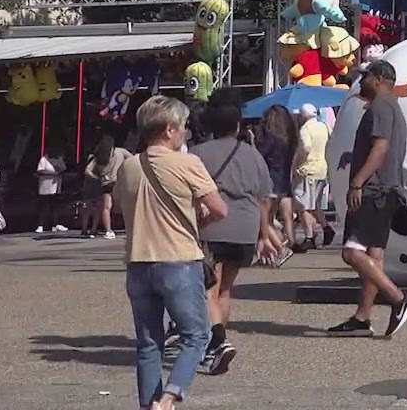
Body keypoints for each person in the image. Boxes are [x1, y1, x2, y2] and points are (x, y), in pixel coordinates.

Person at [116, 95, 228, 410]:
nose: (185, 133)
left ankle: (148, 404)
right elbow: (219, 210)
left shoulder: (128, 167)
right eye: (183, 127)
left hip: (138, 261)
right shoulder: (187, 163)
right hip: (178, 258)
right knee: (196, 336)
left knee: (149, 345)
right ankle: (168, 398)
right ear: (169, 129)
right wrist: (197, 217)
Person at [327, 60, 407, 337]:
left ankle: (398, 298)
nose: (361, 81)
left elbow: (381, 147)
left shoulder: (381, 105)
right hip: (388, 190)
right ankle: (362, 318)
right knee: (374, 256)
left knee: (351, 252)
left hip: (373, 191)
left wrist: (357, 182)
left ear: (379, 78)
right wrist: (353, 157)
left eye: (366, 76)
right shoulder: (393, 107)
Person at [192, 95, 279, 375]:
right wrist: (264, 233)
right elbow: (264, 196)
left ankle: (217, 344)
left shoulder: (198, 153)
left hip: (213, 225)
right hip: (245, 227)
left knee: (208, 290)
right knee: (225, 289)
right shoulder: (252, 154)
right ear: (239, 123)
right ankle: (217, 343)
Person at [255, 105, 298, 257]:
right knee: (270, 219)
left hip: (269, 181)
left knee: (264, 220)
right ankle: (277, 248)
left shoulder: (270, 138)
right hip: (283, 181)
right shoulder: (290, 139)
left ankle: (280, 248)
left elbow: (259, 156)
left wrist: (254, 141)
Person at [291, 104, 333, 250]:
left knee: (303, 205)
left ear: (303, 115)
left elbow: (306, 147)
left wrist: (297, 163)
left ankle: (309, 237)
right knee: (315, 204)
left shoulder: (306, 129)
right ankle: (327, 228)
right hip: (322, 168)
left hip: (307, 170)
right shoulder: (325, 126)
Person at [82, 134, 129, 239]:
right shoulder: (120, 152)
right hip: (119, 181)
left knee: (106, 207)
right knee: (126, 206)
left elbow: (87, 171)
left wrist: (97, 177)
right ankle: (129, 228)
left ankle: (108, 230)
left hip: (106, 183)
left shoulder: (99, 156)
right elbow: (132, 158)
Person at [36, 145, 68, 233]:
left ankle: (55, 225)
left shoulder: (59, 159)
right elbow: (40, 171)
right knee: (44, 207)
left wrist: (60, 172)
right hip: (45, 187)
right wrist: (53, 174)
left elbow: (64, 169)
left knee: (55, 206)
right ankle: (40, 225)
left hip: (56, 186)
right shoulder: (44, 159)